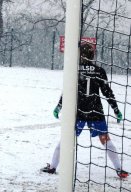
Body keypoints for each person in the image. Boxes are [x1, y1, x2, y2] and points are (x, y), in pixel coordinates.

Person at [41, 43, 129, 178]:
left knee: (66, 139)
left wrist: (59, 106)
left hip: (79, 111)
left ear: (79, 55)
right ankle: (119, 169)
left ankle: (52, 167)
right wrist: (116, 109)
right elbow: (107, 92)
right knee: (105, 139)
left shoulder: (74, 69)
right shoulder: (99, 71)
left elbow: (68, 92)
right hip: (95, 110)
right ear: (93, 55)